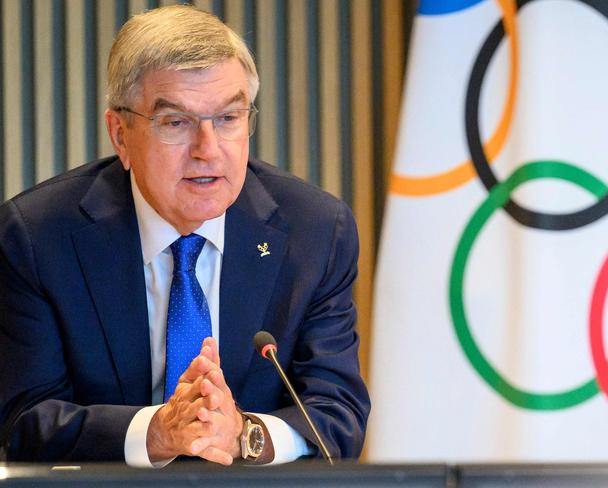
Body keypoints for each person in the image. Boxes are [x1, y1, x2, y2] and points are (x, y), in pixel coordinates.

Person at [0, 5, 369, 466]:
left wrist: (244, 434)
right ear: (120, 134)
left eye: (229, 119)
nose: (208, 150)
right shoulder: (38, 237)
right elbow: (22, 422)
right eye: (177, 123)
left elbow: (337, 416)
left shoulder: (314, 232)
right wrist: (155, 433)